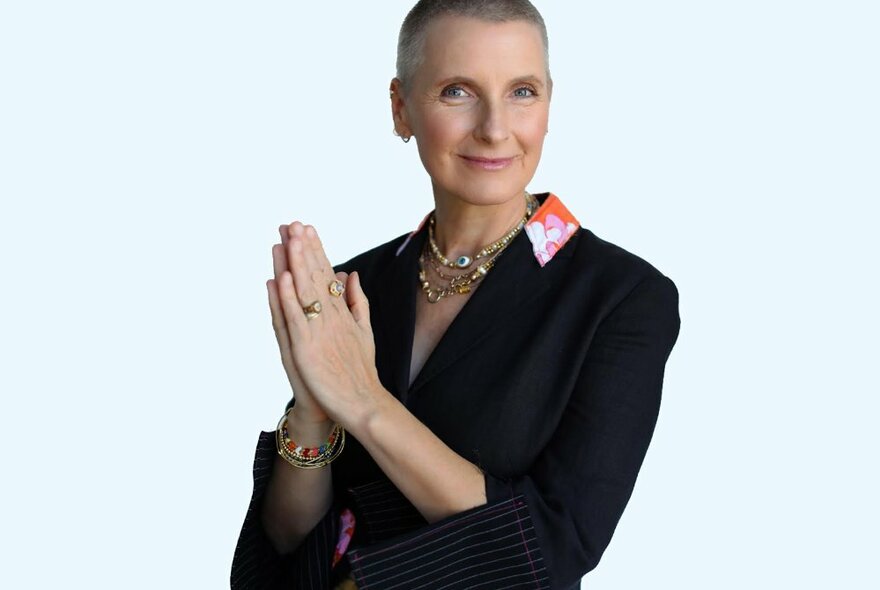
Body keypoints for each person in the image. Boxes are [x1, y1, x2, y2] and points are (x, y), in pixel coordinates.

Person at [230, 1, 680, 588]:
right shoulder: (354, 286)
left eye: (522, 92)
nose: (496, 127)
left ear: (549, 103)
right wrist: (314, 415)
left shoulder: (621, 298)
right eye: (457, 91)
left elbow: (553, 548)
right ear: (401, 109)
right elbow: (288, 546)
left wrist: (364, 401)